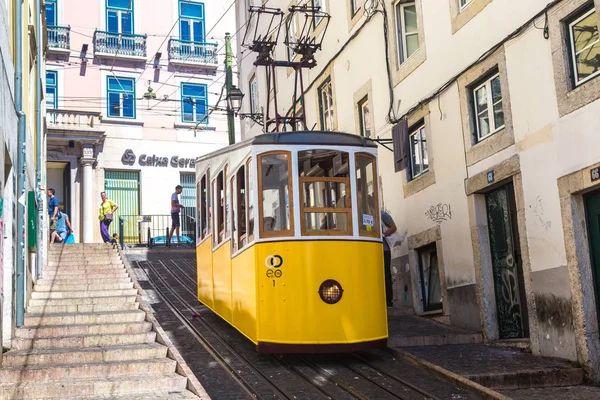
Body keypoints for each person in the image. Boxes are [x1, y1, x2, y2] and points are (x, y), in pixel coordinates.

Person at [382, 209, 397, 308]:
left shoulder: (382, 214)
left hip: (384, 249)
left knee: (386, 274)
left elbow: (393, 227)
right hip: (374, 249)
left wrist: (382, 235)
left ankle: (388, 301)